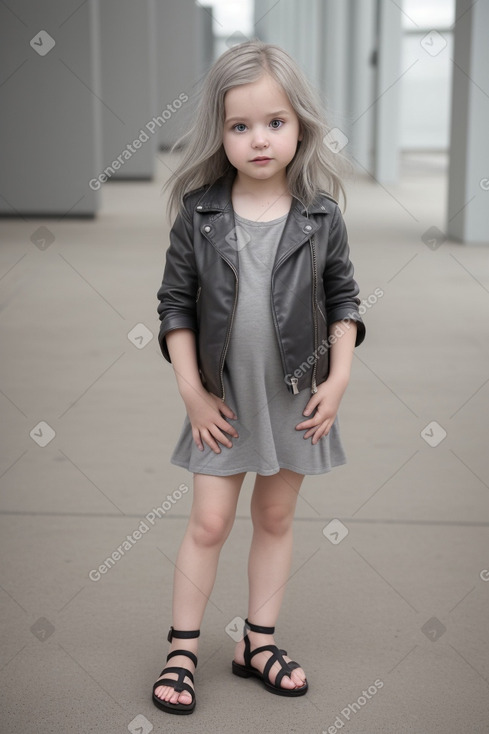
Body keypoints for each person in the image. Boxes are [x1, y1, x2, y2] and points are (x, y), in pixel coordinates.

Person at [153, 39, 366, 715]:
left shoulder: (320, 214)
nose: (258, 139)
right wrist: (191, 392)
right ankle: (181, 648)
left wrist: (336, 381)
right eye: (239, 126)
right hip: (222, 398)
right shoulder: (201, 213)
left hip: (295, 397)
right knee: (210, 522)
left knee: (274, 517)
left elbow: (343, 300)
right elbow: (174, 305)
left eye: (273, 122)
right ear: (220, 133)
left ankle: (257, 642)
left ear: (298, 124)